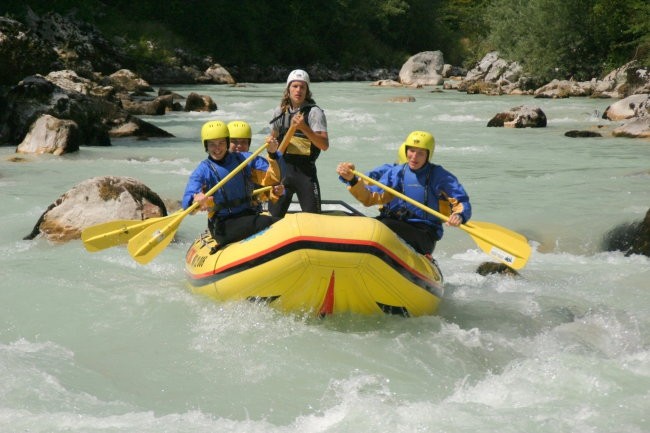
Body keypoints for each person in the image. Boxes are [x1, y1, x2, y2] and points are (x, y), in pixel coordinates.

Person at [336, 130, 471, 256]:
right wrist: (352, 180)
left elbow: (461, 202)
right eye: (411, 151)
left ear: (428, 155)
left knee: (383, 227)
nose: (414, 157)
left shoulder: (440, 176)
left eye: (420, 153)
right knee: (366, 224)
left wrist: (459, 216)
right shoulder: (397, 173)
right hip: (395, 224)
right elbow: (371, 198)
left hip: (424, 233)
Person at [181, 120, 282, 249]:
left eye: (221, 143)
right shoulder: (202, 170)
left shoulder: (244, 159)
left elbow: (272, 179)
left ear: (227, 143)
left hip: (248, 215)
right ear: (206, 146)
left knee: (269, 221)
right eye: (212, 144)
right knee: (268, 222)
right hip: (223, 225)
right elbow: (187, 202)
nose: (217, 148)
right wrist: (196, 199)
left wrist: (272, 153)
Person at [268, 69, 329, 217]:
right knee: (272, 217)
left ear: (307, 91)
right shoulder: (279, 112)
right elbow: (273, 145)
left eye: (302, 87)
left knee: (313, 219)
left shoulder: (314, 113)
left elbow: (324, 145)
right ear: (288, 89)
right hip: (282, 174)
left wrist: (304, 128)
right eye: (295, 86)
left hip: (306, 174)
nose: (298, 90)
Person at [227, 120, 284, 204]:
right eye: (234, 142)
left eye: (243, 142)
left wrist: (272, 154)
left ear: (248, 144)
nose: (239, 146)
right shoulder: (215, 163)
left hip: (249, 211)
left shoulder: (254, 161)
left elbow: (272, 180)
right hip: (223, 214)